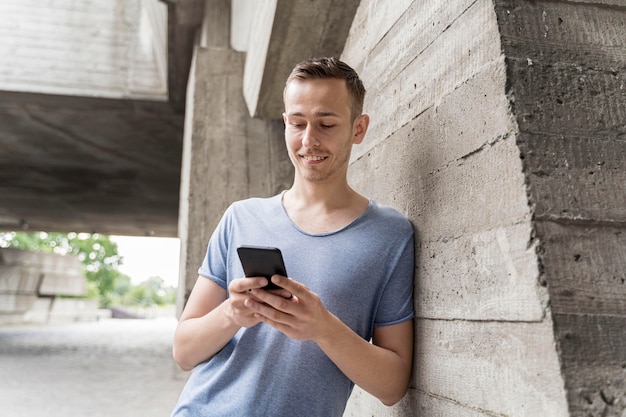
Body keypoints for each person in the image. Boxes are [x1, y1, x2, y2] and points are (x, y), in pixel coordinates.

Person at [171, 57, 415, 417]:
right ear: (285, 124)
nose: (308, 140)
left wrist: (323, 328)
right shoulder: (241, 216)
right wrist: (233, 313)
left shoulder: (390, 235)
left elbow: (393, 386)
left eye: (326, 124)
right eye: (297, 123)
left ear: (358, 128)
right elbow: (184, 352)